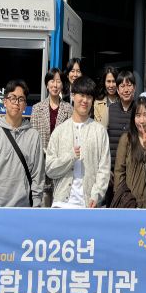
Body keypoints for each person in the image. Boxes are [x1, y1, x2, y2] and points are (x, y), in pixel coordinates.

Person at [0, 79, 44, 207]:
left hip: (24, 208)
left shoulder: (33, 136)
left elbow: (37, 176)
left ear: (25, 105)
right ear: (5, 102)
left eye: (21, 99)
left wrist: (36, 206)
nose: (16, 103)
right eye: (12, 98)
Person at [46, 76, 111, 208]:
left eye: (89, 96)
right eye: (81, 95)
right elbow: (50, 169)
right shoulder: (59, 131)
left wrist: (96, 195)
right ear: (73, 96)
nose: (85, 100)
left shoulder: (100, 131)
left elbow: (104, 169)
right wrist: (70, 157)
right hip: (61, 204)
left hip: (88, 204)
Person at [112, 97, 146, 209]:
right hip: (129, 203)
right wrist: (124, 199)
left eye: (145, 115)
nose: (142, 120)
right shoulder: (126, 139)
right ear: (133, 118)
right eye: (138, 115)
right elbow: (119, 172)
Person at [30, 67, 73, 207]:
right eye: (52, 81)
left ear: (62, 85)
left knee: (60, 204)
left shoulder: (69, 109)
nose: (55, 85)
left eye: (58, 81)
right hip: (41, 163)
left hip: (61, 164)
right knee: (42, 204)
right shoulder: (37, 108)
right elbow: (33, 138)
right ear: (47, 84)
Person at [106, 70, 137, 174]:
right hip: (113, 169)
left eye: (129, 85)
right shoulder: (110, 110)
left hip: (134, 169)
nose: (126, 90)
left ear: (134, 88)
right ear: (118, 90)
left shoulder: (139, 109)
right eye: (122, 86)